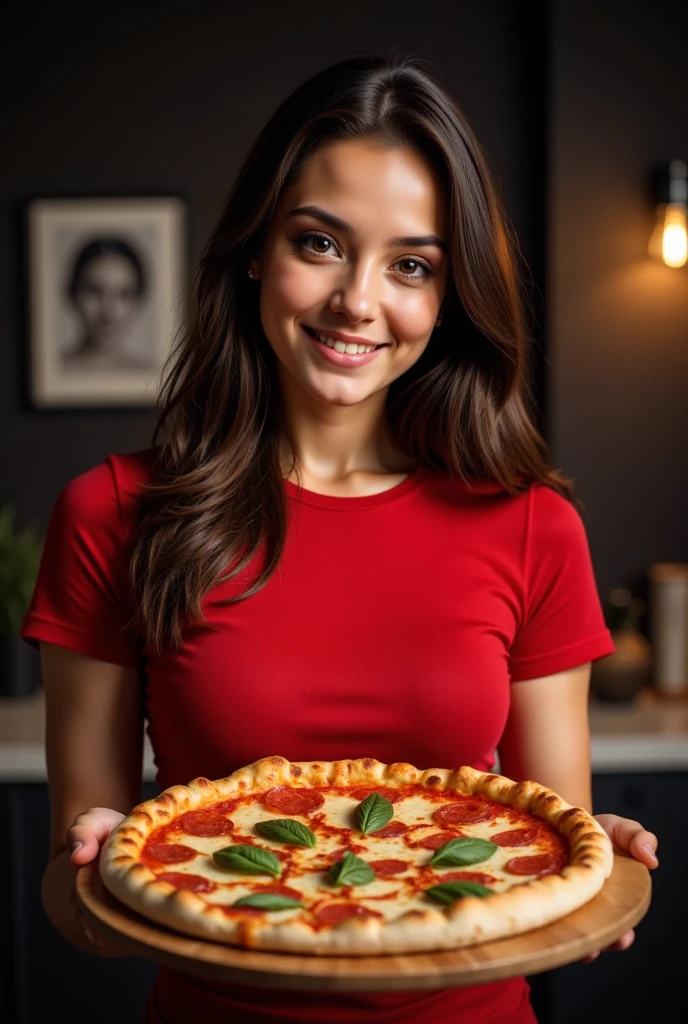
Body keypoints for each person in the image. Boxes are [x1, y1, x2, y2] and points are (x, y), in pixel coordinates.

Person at [22, 52, 659, 1024]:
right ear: (252, 248)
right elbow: (74, 905)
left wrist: (595, 862)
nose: (357, 300)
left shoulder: (534, 525)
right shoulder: (111, 513)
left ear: (447, 300)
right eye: (318, 243)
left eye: (411, 265)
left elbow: (549, 846)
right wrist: (93, 872)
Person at [62, 236, 151, 370]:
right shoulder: (51, 371)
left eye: (124, 294)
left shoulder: (150, 373)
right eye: (94, 291)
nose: (107, 313)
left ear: (138, 300)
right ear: (72, 294)